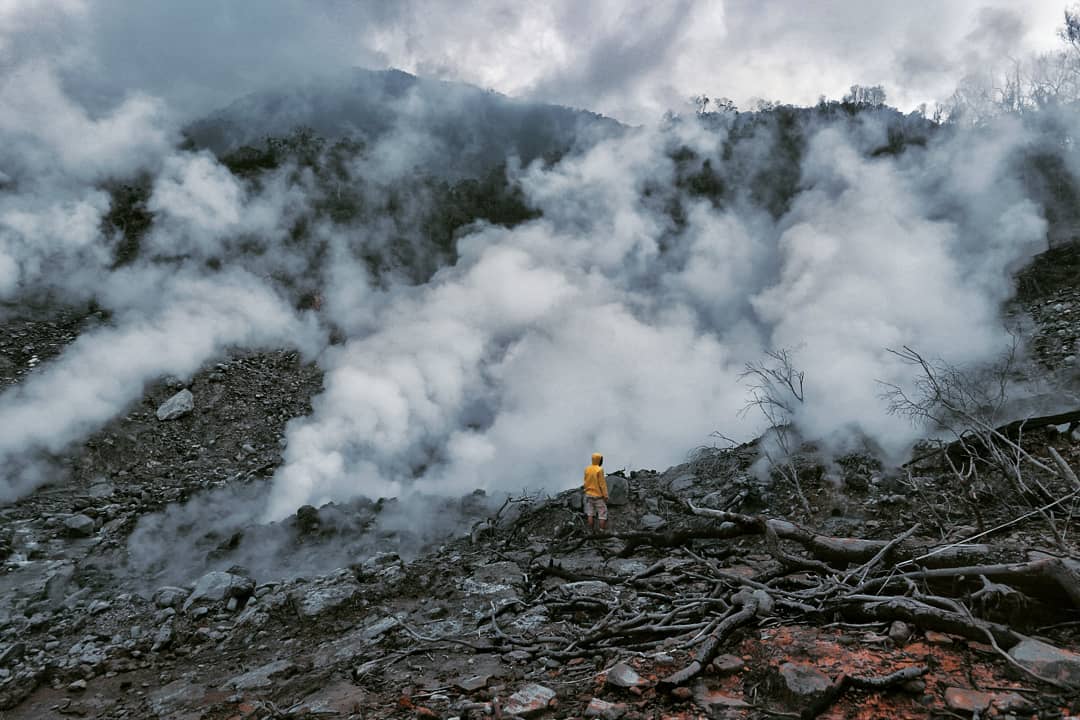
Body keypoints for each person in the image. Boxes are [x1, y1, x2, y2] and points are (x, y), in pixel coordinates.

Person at [583, 452, 608, 532]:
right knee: (602, 514)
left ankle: (590, 531)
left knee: (590, 514)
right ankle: (601, 531)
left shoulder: (587, 469)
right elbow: (602, 484)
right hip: (598, 496)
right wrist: (605, 496)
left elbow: (585, 481)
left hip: (589, 494)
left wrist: (586, 491)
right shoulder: (599, 469)